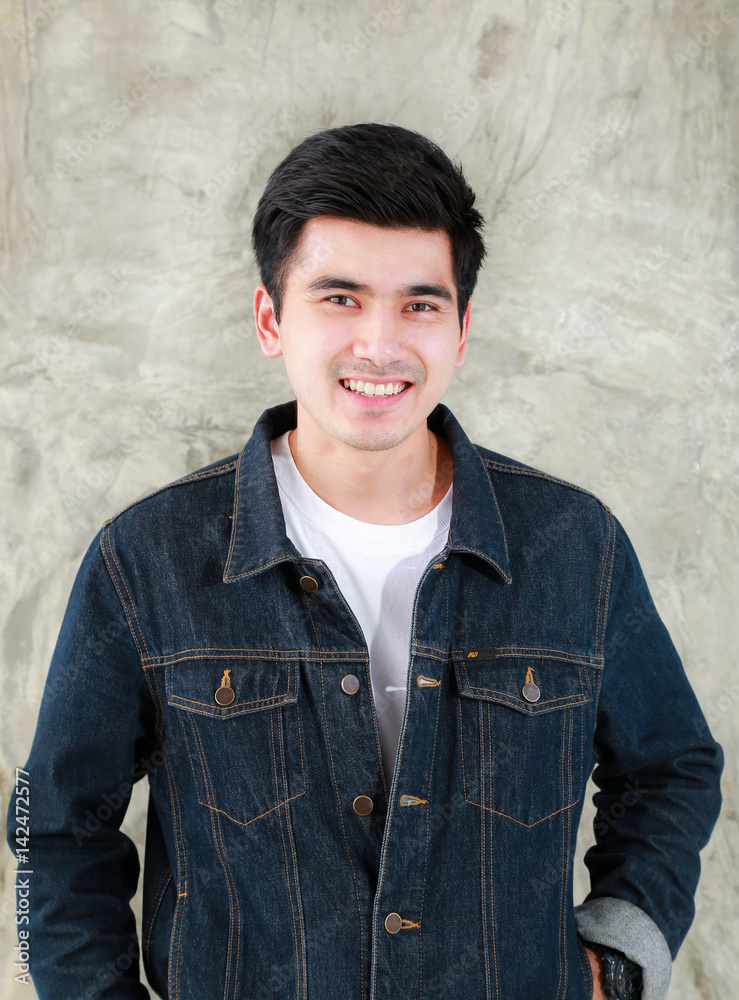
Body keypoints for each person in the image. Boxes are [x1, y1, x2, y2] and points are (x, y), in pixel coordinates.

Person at [8, 123, 722, 1000]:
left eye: (419, 304)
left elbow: (670, 767)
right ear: (271, 318)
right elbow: (55, 829)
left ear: (461, 329)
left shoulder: (574, 544)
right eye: (339, 299)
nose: (380, 345)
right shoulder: (147, 557)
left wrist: (615, 959)